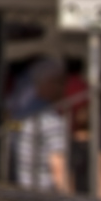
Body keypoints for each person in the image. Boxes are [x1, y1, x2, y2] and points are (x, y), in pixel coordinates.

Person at [11, 57, 69, 193]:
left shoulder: (19, 117)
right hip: (43, 194)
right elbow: (58, 165)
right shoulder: (52, 121)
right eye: (60, 82)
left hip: (20, 189)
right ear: (48, 83)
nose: (63, 88)